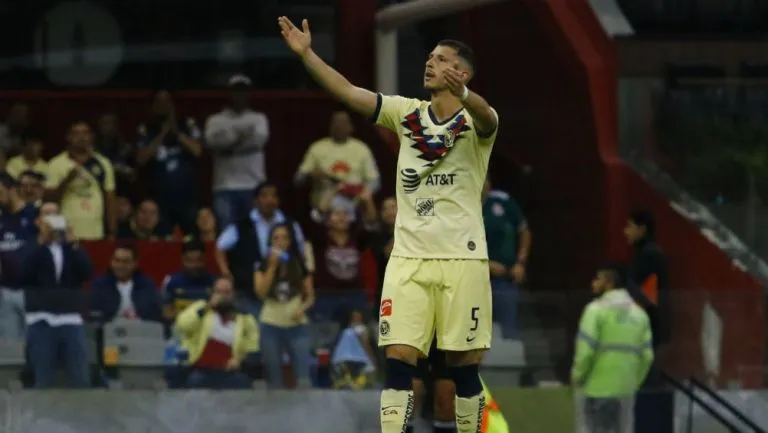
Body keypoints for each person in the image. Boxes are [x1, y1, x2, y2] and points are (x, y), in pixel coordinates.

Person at [279, 17, 499, 433]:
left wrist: (465, 96)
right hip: (408, 259)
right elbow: (347, 91)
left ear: (462, 73)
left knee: (463, 367)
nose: (430, 63)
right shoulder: (406, 113)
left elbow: (487, 116)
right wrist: (307, 55)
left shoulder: (475, 124)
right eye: (430, 57)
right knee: (398, 359)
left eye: (441, 59)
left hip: (462, 259)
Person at [571, 264, 654, 433]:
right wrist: (633, 383)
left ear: (609, 282)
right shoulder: (640, 316)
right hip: (625, 390)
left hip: (595, 389)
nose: (593, 283)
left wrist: (577, 377)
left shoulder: (594, 311)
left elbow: (585, 353)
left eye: (597, 279)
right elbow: (647, 357)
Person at [20, 212, 93, 388]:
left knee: (79, 376)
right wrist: (41, 243)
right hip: (41, 318)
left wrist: (73, 244)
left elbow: (86, 272)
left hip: (70, 317)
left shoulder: (70, 249)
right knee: (43, 377)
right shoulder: (30, 246)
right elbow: (23, 274)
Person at [254, 224, 314, 388]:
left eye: (285, 238)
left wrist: (302, 308)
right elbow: (261, 292)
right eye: (276, 238)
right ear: (270, 241)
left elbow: (310, 297)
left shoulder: (299, 262)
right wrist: (272, 266)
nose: (280, 242)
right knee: (274, 378)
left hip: (297, 324)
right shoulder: (261, 264)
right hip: (270, 323)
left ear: (290, 240)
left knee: (303, 377)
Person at [205, 74, 270, 226]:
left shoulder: (258, 119)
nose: (239, 95)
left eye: (243, 91)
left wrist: (228, 144)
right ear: (229, 93)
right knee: (226, 232)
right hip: (224, 186)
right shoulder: (216, 121)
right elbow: (212, 143)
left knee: (254, 230)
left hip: (253, 185)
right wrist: (243, 137)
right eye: (236, 91)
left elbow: (258, 142)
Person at [136, 90, 203, 235]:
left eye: (166, 101)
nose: (163, 105)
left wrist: (177, 133)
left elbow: (197, 150)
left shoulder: (187, 124)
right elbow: (141, 158)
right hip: (159, 199)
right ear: (153, 105)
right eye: (159, 101)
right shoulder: (146, 128)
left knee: (192, 238)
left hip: (187, 197)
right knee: (162, 240)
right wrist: (162, 134)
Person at [175, 277, 260, 389]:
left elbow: (253, 347)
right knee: (195, 381)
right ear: (212, 293)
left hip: (229, 371)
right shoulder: (201, 308)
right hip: (201, 369)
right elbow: (182, 325)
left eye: (227, 293)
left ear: (233, 295)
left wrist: (239, 360)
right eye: (219, 292)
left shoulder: (245, 318)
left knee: (243, 382)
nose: (223, 297)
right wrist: (207, 307)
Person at [294, 110, 380, 218]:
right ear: (330, 126)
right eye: (336, 123)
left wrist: (365, 194)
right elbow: (298, 180)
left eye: (343, 123)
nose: (339, 126)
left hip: (353, 206)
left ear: (351, 127)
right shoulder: (317, 148)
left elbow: (374, 181)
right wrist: (311, 175)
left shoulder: (361, 149)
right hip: (323, 207)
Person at [45, 121, 117, 240]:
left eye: (85, 133)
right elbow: (48, 201)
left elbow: (110, 199)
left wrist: (112, 232)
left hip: (96, 232)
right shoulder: (56, 164)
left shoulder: (103, 163)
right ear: (68, 137)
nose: (81, 137)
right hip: (65, 233)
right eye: (76, 133)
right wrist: (67, 180)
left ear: (92, 137)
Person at [483, 178, 531, 338]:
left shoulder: (502, 201)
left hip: (504, 278)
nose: (485, 184)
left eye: (486, 179)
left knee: (507, 331)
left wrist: (520, 262)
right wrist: (486, 264)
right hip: (472, 279)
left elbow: (524, 231)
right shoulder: (460, 205)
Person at [89, 243, 163, 323]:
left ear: (135, 263)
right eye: (117, 260)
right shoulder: (100, 285)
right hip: (109, 328)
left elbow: (154, 315)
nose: (120, 265)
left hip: (140, 328)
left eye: (126, 262)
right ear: (111, 262)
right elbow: (95, 315)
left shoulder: (146, 285)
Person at [162, 239, 217, 320]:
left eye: (198, 260)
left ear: (204, 259)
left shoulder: (214, 283)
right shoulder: (172, 282)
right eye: (190, 261)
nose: (194, 265)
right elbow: (166, 313)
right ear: (183, 259)